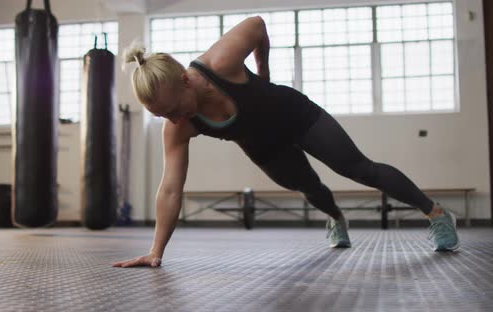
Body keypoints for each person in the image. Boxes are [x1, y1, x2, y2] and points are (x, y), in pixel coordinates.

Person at [112, 16, 459, 269]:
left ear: (186, 81)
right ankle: (337, 217)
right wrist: (156, 251)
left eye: (173, 110)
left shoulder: (220, 63)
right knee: (308, 186)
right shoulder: (179, 128)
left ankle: (437, 214)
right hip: (262, 145)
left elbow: (257, 24)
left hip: (296, 115)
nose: (173, 120)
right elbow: (170, 189)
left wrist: (262, 72)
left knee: (360, 169)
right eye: (163, 117)